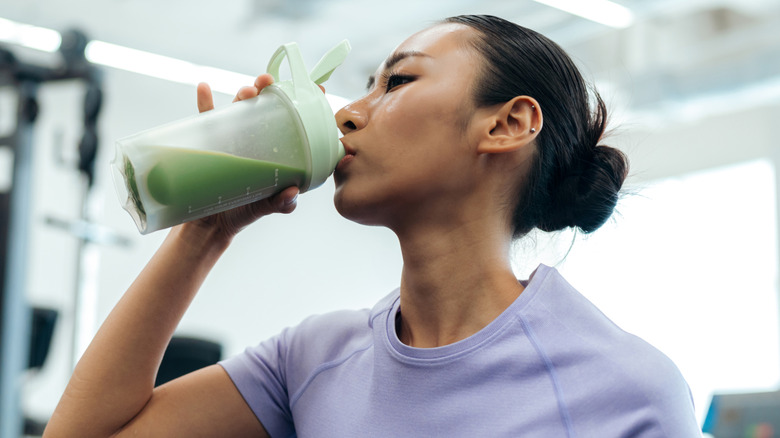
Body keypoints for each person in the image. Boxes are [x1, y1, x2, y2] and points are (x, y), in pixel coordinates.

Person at [44, 14, 701, 437]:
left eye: (398, 81)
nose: (349, 114)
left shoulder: (626, 390)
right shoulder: (311, 358)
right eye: (367, 85)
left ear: (505, 125)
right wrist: (205, 232)